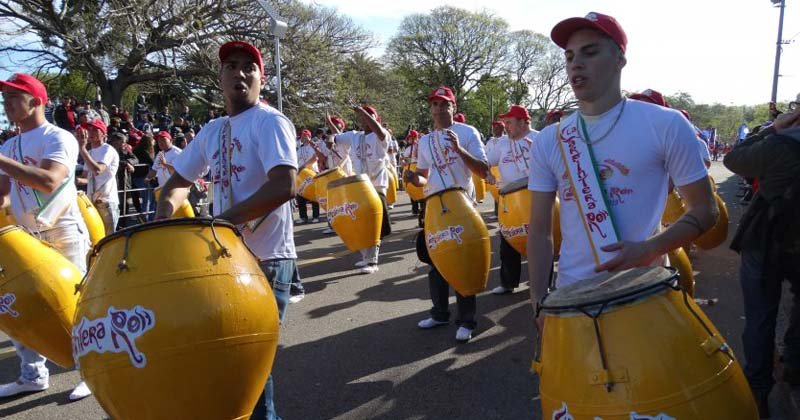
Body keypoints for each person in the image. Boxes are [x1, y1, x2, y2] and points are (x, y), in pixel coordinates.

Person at [526, 10, 717, 368]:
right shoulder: (551, 139)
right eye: (569, 56)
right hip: (571, 299)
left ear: (620, 59)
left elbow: (706, 210)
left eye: (590, 51)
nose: (575, 64)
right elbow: (538, 231)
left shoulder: (665, 124)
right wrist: (539, 300)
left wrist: (649, 249)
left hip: (643, 292)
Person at [155, 40, 297, 420]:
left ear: (261, 78)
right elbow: (179, 180)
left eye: (249, 66)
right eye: (231, 66)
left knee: (250, 358)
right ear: (220, 78)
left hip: (267, 258)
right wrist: (165, 211)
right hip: (227, 257)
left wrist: (224, 221)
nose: (240, 72)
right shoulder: (212, 130)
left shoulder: (270, 122)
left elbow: (285, 185)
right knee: (230, 355)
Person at [0, 73, 92, 401]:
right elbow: (4, 194)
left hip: (63, 231)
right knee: (21, 307)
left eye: (13, 97)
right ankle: (32, 374)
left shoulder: (59, 138)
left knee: (76, 307)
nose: (6, 103)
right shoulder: (9, 144)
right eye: (5, 97)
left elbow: (50, 182)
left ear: (36, 101)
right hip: (26, 235)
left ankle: (91, 374)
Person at [723, 105, 800, 418]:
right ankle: (794, 363)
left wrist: (774, 128)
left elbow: (733, 159)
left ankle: (757, 390)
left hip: (766, 241)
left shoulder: (781, 145)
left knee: (760, 316)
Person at [404, 86, 488, 342]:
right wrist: (413, 178)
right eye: (435, 105)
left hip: (461, 204)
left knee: (463, 261)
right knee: (436, 263)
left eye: (445, 104)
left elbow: (483, 170)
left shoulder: (467, 132)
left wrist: (459, 149)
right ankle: (440, 313)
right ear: (431, 109)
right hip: (434, 206)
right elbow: (424, 177)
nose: (439, 109)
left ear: (454, 107)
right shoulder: (426, 140)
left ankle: (467, 321)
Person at [326, 102, 392, 274]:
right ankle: (367, 258)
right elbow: (336, 136)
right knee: (360, 222)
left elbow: (377, 129)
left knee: (373, 224)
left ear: (375, 119)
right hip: (359, 186)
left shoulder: (381, 135)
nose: (364, 119)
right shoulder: (354, 136)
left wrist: (362, 111)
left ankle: (372, 261)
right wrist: (330, 140)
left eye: (368, 116)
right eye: (362, 117)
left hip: (377, 185)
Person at [486, 105, 537, 295]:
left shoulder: (540, 138)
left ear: (523, 122)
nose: (504, 126)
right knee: (507, 242)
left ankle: (541, 283)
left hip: (536, 197)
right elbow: (486, 161)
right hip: (508, 199)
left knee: (538, 243)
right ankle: (508, 283)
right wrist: (486, 173)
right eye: (504, 122)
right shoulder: (502, 143)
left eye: (509, 122)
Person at [78, 118, 120, 234]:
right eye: (89, 130)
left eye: (95, 130)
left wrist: (82, 149)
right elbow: (86, 178)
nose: (90, 133)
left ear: (103, 134)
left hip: (106, 202)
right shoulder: (90, 153)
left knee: (108, 240)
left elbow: (98, 170)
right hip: (92, 203)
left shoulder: (108, 150)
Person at [295, 129, 320, 223]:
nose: (302, 137)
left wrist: (304, 166)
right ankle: (303, 217)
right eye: (301, 136)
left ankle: (316, 216)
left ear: (309, 137)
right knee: (300, 196)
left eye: (305, 135)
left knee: (314, 195)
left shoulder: (313, 146)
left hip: (312, 172)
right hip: (301, 175)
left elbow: (316, 157)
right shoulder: (299, 148)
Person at [400, 129, 423, 218]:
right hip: (420, 167)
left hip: (411, 168)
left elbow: (405, 161)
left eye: (409, 138)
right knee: (421, 188)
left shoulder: (409, 149)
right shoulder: (422, 147)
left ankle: (415, 208)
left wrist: (403, 160)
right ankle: (422, 207)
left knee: (411, 188)